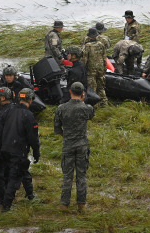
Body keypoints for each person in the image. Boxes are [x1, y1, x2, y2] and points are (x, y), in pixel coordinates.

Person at [0, 88, 40, 212]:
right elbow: (33, 138)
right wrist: (36, 152)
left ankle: (30, 195)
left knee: (20, 172)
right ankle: (6, 207)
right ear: (30, 100)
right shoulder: (29, 115)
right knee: (14, 180)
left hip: (4, 150)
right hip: (18, 152)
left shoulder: (7, 111)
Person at [54, 82, 95, 212]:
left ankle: (64, 204)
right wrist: (82, 102)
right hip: (82, 145)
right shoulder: (87, 108)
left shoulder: (61, 108)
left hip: (68, 144)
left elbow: (57, 128)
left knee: (67, 176)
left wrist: (66, 136)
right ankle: (81, 204)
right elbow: (92, 115)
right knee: (81, 175)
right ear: (83, 93)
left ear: (70, 92)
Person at [82, 28, 107, 105]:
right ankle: (104, 102)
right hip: (100, 69)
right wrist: (104, 68)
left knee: (92, 88)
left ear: (89, 36)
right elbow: (104, 57)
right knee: (101, 87)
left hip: (91, 70)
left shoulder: (87, 46)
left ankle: (94, 105)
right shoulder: (101, 45)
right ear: (96, 35)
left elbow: (84, 59)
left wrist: (83, 69)